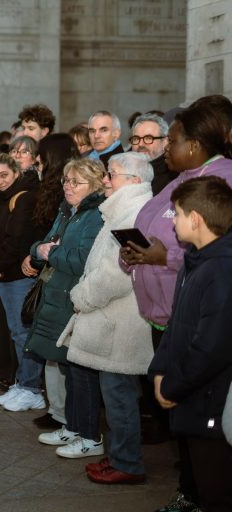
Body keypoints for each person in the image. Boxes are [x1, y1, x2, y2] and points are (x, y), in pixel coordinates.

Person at [120, 102, 232, 512]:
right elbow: (152, 226)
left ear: (196, 145)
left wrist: (162, 257)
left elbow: (213, 244)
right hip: (168, 315)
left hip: (194, 320)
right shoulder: (180, 178)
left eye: (173, 139)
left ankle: (203, 494)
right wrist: (133, 253)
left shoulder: (221, 181)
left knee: (203, 426)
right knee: (183, 421)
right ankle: (191, 490)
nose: (166, 146)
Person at [57, 152, 153, 483]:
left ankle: (127, 463)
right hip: (113, 317)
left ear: (134, 181)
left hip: (120, 321)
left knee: (119, 396)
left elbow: (118, 273)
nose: (106, 180)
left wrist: (82, 297)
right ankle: (118, 457)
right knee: (115, 395)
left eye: (112, 175)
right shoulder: (121, 209)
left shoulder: (134, 213)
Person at [149, 176, 232, 512]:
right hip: (191, 394)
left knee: (218, 493)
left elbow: (212, 347)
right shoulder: (196, 260)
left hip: (211, 400)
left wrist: (172, 385)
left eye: (177, 214)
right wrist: (159, 371)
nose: (173, 222)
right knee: (199, 479)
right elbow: (176, 324)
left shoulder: (222, 269)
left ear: (196, 219)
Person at [23, 159, 106, 441]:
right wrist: (39, 251)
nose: (68, 187)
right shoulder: (67, 210)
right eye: (66, 181)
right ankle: (71, 427)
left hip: (75, 299)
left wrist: (50, 253)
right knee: (68, 369)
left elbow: (84, 260)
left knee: (79, 373)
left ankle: (85, 434)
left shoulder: (95, 216)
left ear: (94, 185)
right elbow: (43, 243)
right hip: (57, 295)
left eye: (75, 182)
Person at [0, 153, 45, 406]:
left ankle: (32, 389)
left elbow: (15, 243)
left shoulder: (24, 198)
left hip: (17, 277)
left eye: (4, 175)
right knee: (15, 332)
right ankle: (22, 382)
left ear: (16, 173)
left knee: (23, 333)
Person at [129, 113, 174, 195]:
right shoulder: (122, 170)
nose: (141, 144)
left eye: (148, 138)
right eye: (136, 139)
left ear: (165, 142)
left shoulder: (172, 180)